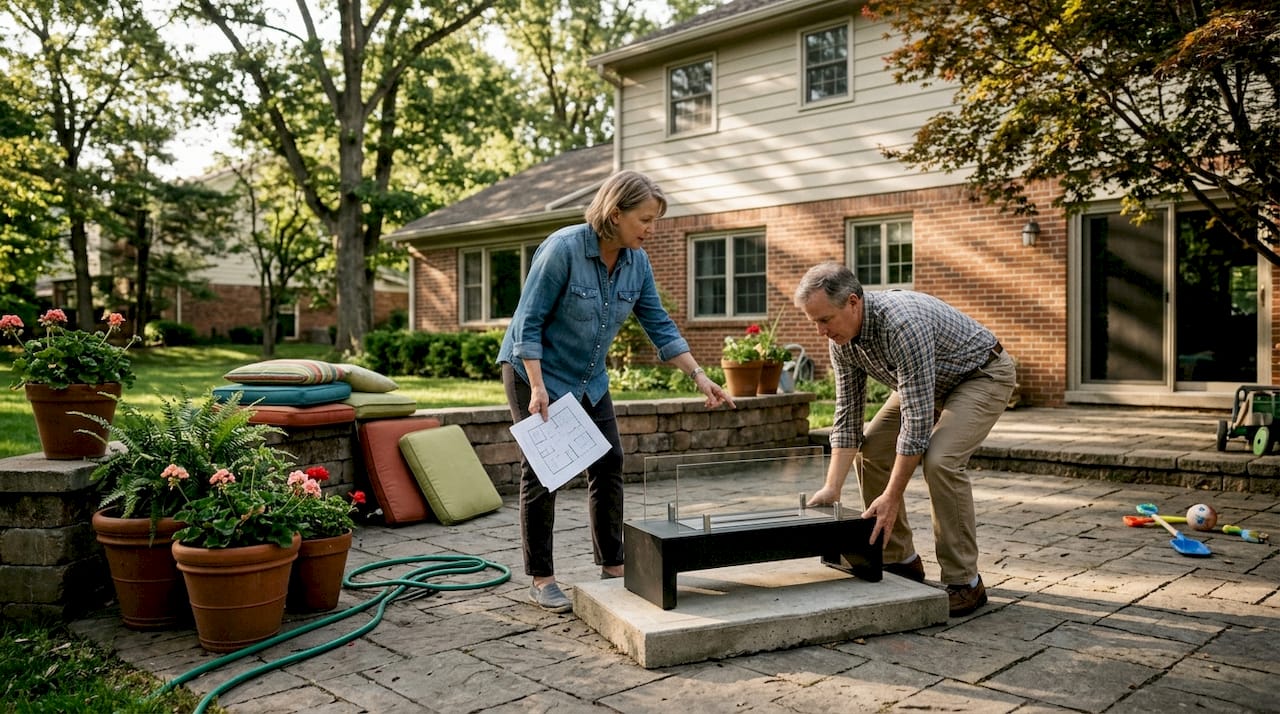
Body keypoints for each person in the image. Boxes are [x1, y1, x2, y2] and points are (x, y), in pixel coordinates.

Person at [498, 170, 736, 614]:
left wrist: (698, 375)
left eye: (655, 220)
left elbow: (657, 322)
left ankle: (612, 564)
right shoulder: (563, 249)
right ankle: (542, 578)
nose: (651, 229)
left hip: (588, 378)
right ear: (614, 213)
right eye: (644, 219)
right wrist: (537, 387)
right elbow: (527, 322)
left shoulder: (635, 261)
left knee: (609, 465)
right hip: (535, 372)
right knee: (545, 473)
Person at [793, 261, 1015, 617]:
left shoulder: (902, 324)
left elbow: (916, 421)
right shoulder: (843, 341)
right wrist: (832, 488)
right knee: (872, 450)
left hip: (980, 375)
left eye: (824, 320)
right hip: (925, 383)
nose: (821, 331)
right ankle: (901, 560)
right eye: (814, 322)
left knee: (941, 461)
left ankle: (966, 583)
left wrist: (892, 496)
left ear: (853, 302)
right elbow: (848, 414)